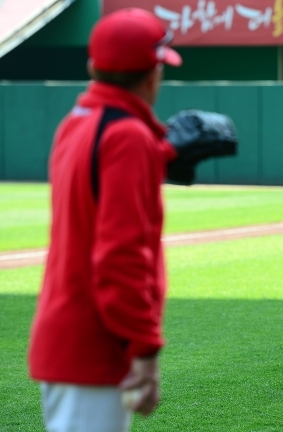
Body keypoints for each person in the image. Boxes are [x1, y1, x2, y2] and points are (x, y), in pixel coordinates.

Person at [28, 8, 182, 431]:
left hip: (66, 336)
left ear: (93, 67)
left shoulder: (77, 122)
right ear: (154, 74)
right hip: (94, 346)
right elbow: (120, 258)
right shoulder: (129, 137)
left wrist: (164, 151)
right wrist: (146, 353)